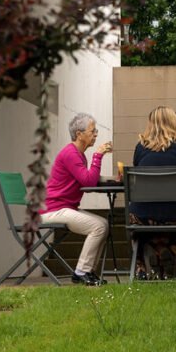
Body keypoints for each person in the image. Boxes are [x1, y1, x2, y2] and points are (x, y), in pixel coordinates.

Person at [40, 113, 112, 286]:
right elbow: (88, 181)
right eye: (92, 130)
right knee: (98, 227)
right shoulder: (71, 154)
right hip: (54, 209)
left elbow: (87, 177)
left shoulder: (78, 154)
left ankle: (89, 271)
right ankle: (81, 272)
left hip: (64, 207)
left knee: (104, 224)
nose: (96, 134)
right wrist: (98, 156)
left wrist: (111, 179)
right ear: (79, 134)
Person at [130, 106, 176, 279]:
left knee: (136, 221)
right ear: (174, 122)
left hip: (144, 216)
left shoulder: (140, 147)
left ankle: (141, 267)